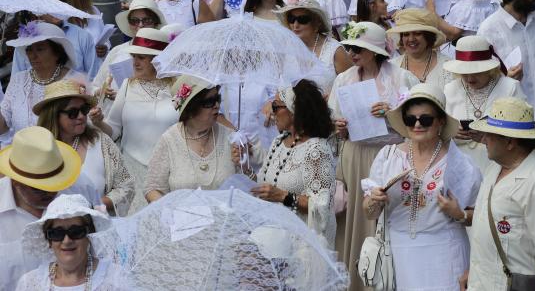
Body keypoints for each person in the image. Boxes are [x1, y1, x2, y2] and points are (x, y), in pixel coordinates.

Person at [363, 83, 481, 291]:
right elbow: (369, 212)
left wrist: (459, 213)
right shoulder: (388, 157)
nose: (417, 125)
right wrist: (373, 200)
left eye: (425, 119)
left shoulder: (459, 164)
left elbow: (480, 217)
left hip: (444, 257)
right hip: (399, 255)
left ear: (441, 122)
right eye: (410, 119)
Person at [328, 22, 419, 289]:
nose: (353, 53)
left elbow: (417, 120)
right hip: (355, 154)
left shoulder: (401, 78)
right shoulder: (343, 79)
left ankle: (389, 278)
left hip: (390, 154)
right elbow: (334, 121)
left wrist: (391, 111)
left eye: (359, 48)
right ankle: (357, 279)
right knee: (357, 218)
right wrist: (339, 126)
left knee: (386, 215)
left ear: (375, 51)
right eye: (349, 47)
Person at [462, 97, 535, 291]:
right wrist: (473, 272)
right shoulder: (495, 168)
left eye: (489, 135)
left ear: (509, 142)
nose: (483, 139)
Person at [234, 80, 337, 248]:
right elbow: (266, 185)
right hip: (273, 237)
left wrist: (283, 196)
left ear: (294, 111)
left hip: (301, 244)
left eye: (276, 107)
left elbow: (321, 209)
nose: (272, 113)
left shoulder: (317, 150)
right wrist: (246, 166)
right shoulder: (278, 142)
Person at [93, 28, 176, 213]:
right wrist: (99, 122)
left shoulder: (177, 88)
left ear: (157, 59)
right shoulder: (127, 86)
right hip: (132, 169)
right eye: (134, 57)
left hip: (168, 170)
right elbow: (114, 130)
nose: (135, 62)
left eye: (142, 57)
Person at [33, 79, 134, 216]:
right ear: (54, 115)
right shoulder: (37, 150)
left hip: (99, 227)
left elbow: (125, 186)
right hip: (57, 234)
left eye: (84, 110)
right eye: (72, 112)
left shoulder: (100, 141)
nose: (81, 116)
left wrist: (94, 207)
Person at [0, 126, 81, 288]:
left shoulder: (76, 197)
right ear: (16, 182)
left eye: (54, 183)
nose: (50, 192)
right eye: (38, 188)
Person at [443, 35, 527, 174]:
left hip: (500, 166)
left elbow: (523, 133)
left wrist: (491, 135)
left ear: (489, 69)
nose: (470, 78)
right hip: (459, 168)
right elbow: (437, 129)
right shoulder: (450, 89)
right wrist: (450, 131)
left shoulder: (510, 87)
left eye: (476, 72)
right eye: (464, 73)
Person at [144, 76, 234, 202]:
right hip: (182, 220)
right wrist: (169, 211)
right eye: (210, 102)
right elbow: (152, 188)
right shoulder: (169, 140)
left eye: (217, 99)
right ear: (191, 109)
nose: (217, 105)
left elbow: (247, 186)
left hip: (224, 220)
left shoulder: (231, 138)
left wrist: (245, 165)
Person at [16, 194, 128, 291]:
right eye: (57, 233)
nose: (67, 240)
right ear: (49, 240)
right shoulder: (29, 284)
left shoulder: (115, 279)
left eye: (76, 231)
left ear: (89, 235)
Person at [1, 23, 85, 146]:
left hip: (63, 157)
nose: (32, 56)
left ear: (57, 52)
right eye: (29, 49)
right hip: (21, 156)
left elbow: (83, 127)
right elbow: (3, 127)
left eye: (40, 49)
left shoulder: (76, 81)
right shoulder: (18, 80)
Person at [93, 0, 165, 102]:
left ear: (156, 22)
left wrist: (125, 97)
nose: (140, 25)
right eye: (134, 21)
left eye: (147, 20)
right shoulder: (116, 52)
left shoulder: (163, 54)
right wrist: (101, 91)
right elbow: (95, 85)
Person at [275, 0, 352, 93]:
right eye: (291, 19)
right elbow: (277, 87)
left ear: (316, 23)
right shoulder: (284, 49)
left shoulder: (335, 50)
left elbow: (352, 87)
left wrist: (332, 98)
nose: (295, 25)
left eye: (302, 19)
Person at [55, 0, 109, 70]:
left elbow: (104, 39)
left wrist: (104, 48)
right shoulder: (58, 17)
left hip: (96, 76)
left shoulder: (94, 11)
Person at [388, 9, 451, 88]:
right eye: (406, 34)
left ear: (428, 36)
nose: (411, 39)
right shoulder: (391, 67)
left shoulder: (448, 67)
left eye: (417, 33)